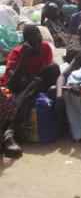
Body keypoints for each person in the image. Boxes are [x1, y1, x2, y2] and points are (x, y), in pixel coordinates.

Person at [1, 25, 60, 157]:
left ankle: (9, 132)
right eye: (33, 43)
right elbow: (10, 84)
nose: (38, 46)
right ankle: (9, 133)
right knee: (32, 86)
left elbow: (47, 71)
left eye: (39, 41)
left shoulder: (45, 48)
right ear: (25, 43)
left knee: (53, 69)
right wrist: (23, 58)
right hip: (18, 86)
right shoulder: (16, 53)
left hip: (35, 83)